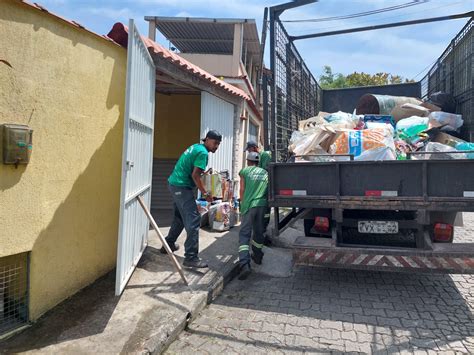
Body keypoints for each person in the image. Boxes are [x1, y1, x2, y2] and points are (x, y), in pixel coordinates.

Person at [160, 130, 222, 268]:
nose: (216, 146)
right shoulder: (203, 153)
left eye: (218, 144)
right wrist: (206, 194)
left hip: (174, 184)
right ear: (207, 139)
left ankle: (168, 244)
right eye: (215, 143)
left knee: (180, 218)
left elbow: (194, 171)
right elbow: (195, 176)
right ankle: (191, 257)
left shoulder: (196, 146)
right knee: (193, 220)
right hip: (181, 187)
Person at [237, 151, 269, 280]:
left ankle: (244, 264)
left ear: (248, 161)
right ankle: (258, 256)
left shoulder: (245, 171)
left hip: (249, 205)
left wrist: (241, 203)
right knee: (258, 232)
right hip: (262, 205)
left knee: (244, 234)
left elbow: (242, 190)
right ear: (258, 161)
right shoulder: (265, 173)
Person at [245, 140, 272, 244]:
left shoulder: (264, 155)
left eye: (249, 149)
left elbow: (264, 171)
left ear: (255, 147)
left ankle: (262, 236)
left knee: (264, 215)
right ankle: (261, 235)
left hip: (265, 189)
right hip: (260, 190)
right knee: (261, 215)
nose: (249, 152)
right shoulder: (259, 157)